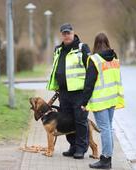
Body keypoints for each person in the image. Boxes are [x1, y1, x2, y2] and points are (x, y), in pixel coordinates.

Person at [80, 33, 125, 169]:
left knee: (105, 129)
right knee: (108, 128)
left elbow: (89, 83)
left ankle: (105, 159)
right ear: (107, 43)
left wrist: (84, 102)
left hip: (100, 100)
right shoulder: (114, 57)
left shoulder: (94, 59)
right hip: (112, 98)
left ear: (95, 44)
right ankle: (107, 158)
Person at [46, 23, 91, 159]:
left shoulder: (82, 48)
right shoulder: (58, 50)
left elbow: (90, 69)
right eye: (64, 33)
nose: (66, 35)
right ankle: (72, 146)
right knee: (66, 121)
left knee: (80, 120)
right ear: (62, 35)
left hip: (79, 93)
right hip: (64, 93)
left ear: (73, 33)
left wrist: (88, 91)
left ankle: (81, 149)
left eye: (68, 33)